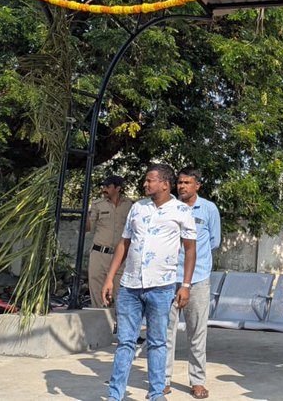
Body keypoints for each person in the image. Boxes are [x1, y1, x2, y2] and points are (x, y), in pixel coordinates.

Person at [103, 163, 197, 401]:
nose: (145, 184)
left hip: (161, 287)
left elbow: (190, 250)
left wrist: (185, 286)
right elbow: (124, 244)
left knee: (157, 342)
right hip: (130, 286)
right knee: (125, 341)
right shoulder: (137, 208)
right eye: (146, 180)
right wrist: (110, 278)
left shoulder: (181, 211)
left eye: (150, 180)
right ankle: (115, 395)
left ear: (165, 184)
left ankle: (156, 394)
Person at [164, 168, 222, 400]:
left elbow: (214, 241)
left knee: (197, 332)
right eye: (179, 182)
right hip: (168, 278)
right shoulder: (169, 208)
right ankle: (163, 380)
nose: (182, 186)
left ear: (197, 186)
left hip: (197, 279)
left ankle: (197, 381)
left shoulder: (209, 209)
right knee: (165, 332)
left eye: (187, 182)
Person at [86, 175, 134, 309]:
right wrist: (86, 213)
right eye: (103, 186)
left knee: (120, 292)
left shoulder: (129, 205)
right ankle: (98, 323)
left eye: (108, 186)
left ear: (118, 188)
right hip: (100, 253)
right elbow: (89, 229)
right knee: (97, 291)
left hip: (120, 256)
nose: (104, 189)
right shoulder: (97, 205)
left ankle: (118, 325)